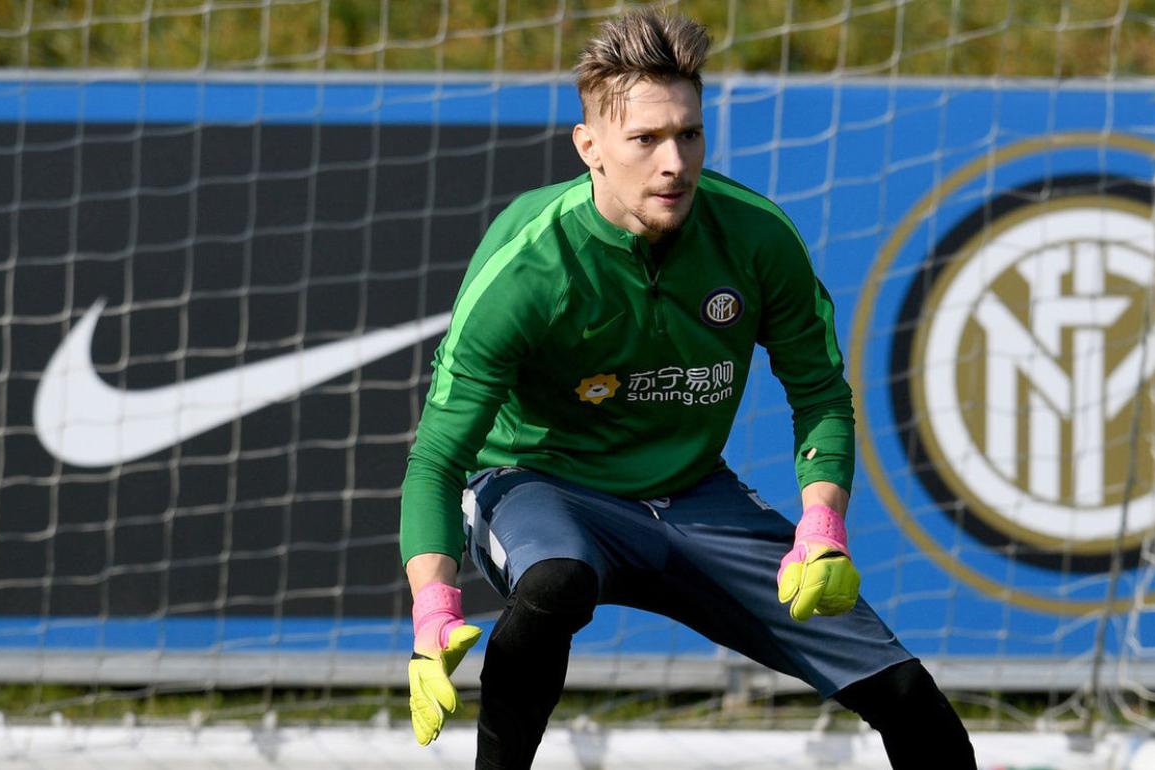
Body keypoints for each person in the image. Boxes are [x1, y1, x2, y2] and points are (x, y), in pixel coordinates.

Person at [400, 9, 977, 770]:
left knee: (908, 699)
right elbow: (437, 461)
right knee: (557, 582)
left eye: (689, 134)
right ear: (590, 148)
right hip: (542, 484)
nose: (674, 162)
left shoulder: (756, 236)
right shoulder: (528, 265)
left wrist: (821, 526)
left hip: (694, 495)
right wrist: (434, 611)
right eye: (646, 140)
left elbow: (821, 396)